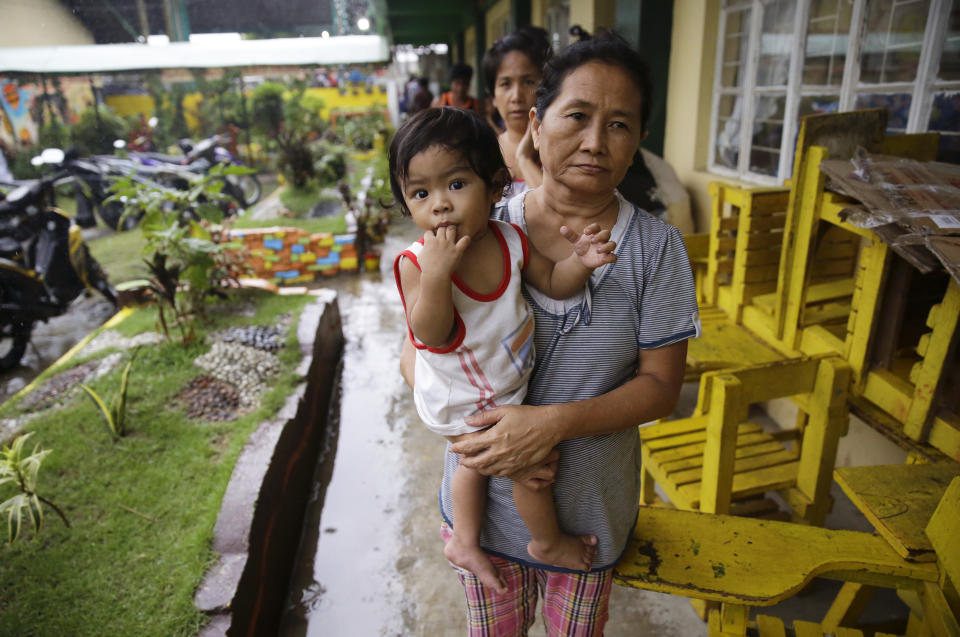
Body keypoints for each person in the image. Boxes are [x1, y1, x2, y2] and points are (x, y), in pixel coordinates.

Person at [401, 32, 700, 635]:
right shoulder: (482, 218)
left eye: (619, 124)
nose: (594, 142)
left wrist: (549, 424)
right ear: (536, 125)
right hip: (481, 516)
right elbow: (415, 346)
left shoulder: (657, 248)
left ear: (639, 139)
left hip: (587, 520)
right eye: (577, 116)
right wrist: (465, 420)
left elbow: (662, 388)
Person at [391, 107, 619, 594]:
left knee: (475, 466)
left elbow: (554, 284)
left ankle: (464, 541)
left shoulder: (511, 240)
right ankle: (546, 542)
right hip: (459, 394)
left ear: (495, 188)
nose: (440, 206)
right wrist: (437, 276)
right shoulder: (417, 264)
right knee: (531, 469)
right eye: (420, 193)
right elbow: (429, 333)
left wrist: (581, 263)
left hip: (498, 381)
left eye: (456, 184)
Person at [482, 27, 553, 199]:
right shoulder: (482, 156)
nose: (516, 96)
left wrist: (524, 159)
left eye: (529, 82)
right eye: (505, 84)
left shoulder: (560, 152)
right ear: (492, 96)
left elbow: (561, 212)